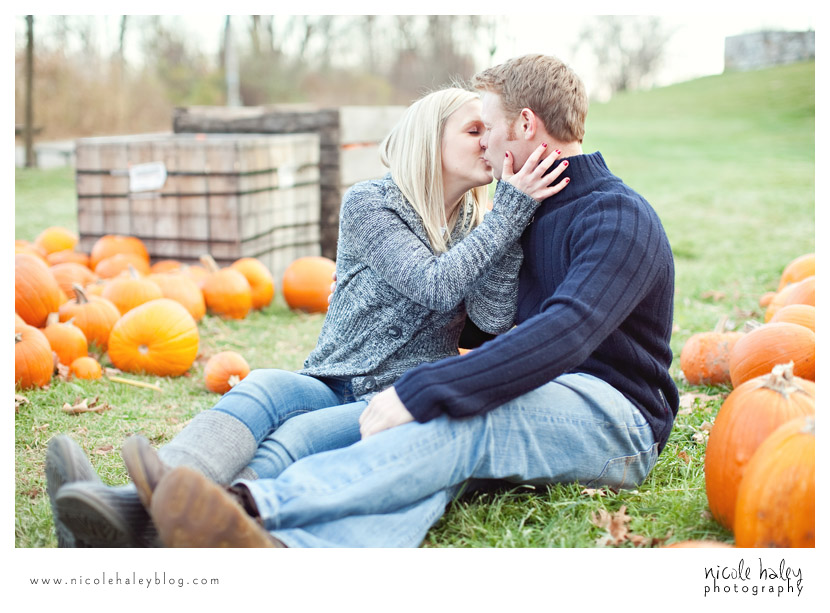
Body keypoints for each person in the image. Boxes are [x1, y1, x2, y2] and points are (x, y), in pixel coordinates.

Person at [143, 53, 680, 548]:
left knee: (454, 418)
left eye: (487, 128)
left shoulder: (616, 216)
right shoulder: (516, 213)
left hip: (615, 415)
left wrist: (426, 387)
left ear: (523, 125)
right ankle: (272, 543)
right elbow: (488, 325)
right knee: (431, 451)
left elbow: (562, 332)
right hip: (526, 388)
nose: (487, 146)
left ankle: (247, 508)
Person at [46, 86, 570, 547]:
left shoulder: (484, 222)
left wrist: (508, 227)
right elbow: (433, 286)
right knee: (264, 387)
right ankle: (137, 502)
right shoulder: (372, 204)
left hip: (392, 400)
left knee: (294, 441)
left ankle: (136, 519)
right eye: (473, 129)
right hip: (332, 377)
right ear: (428, 140)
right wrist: (505, 220)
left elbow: (493, 318)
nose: (488, 141)